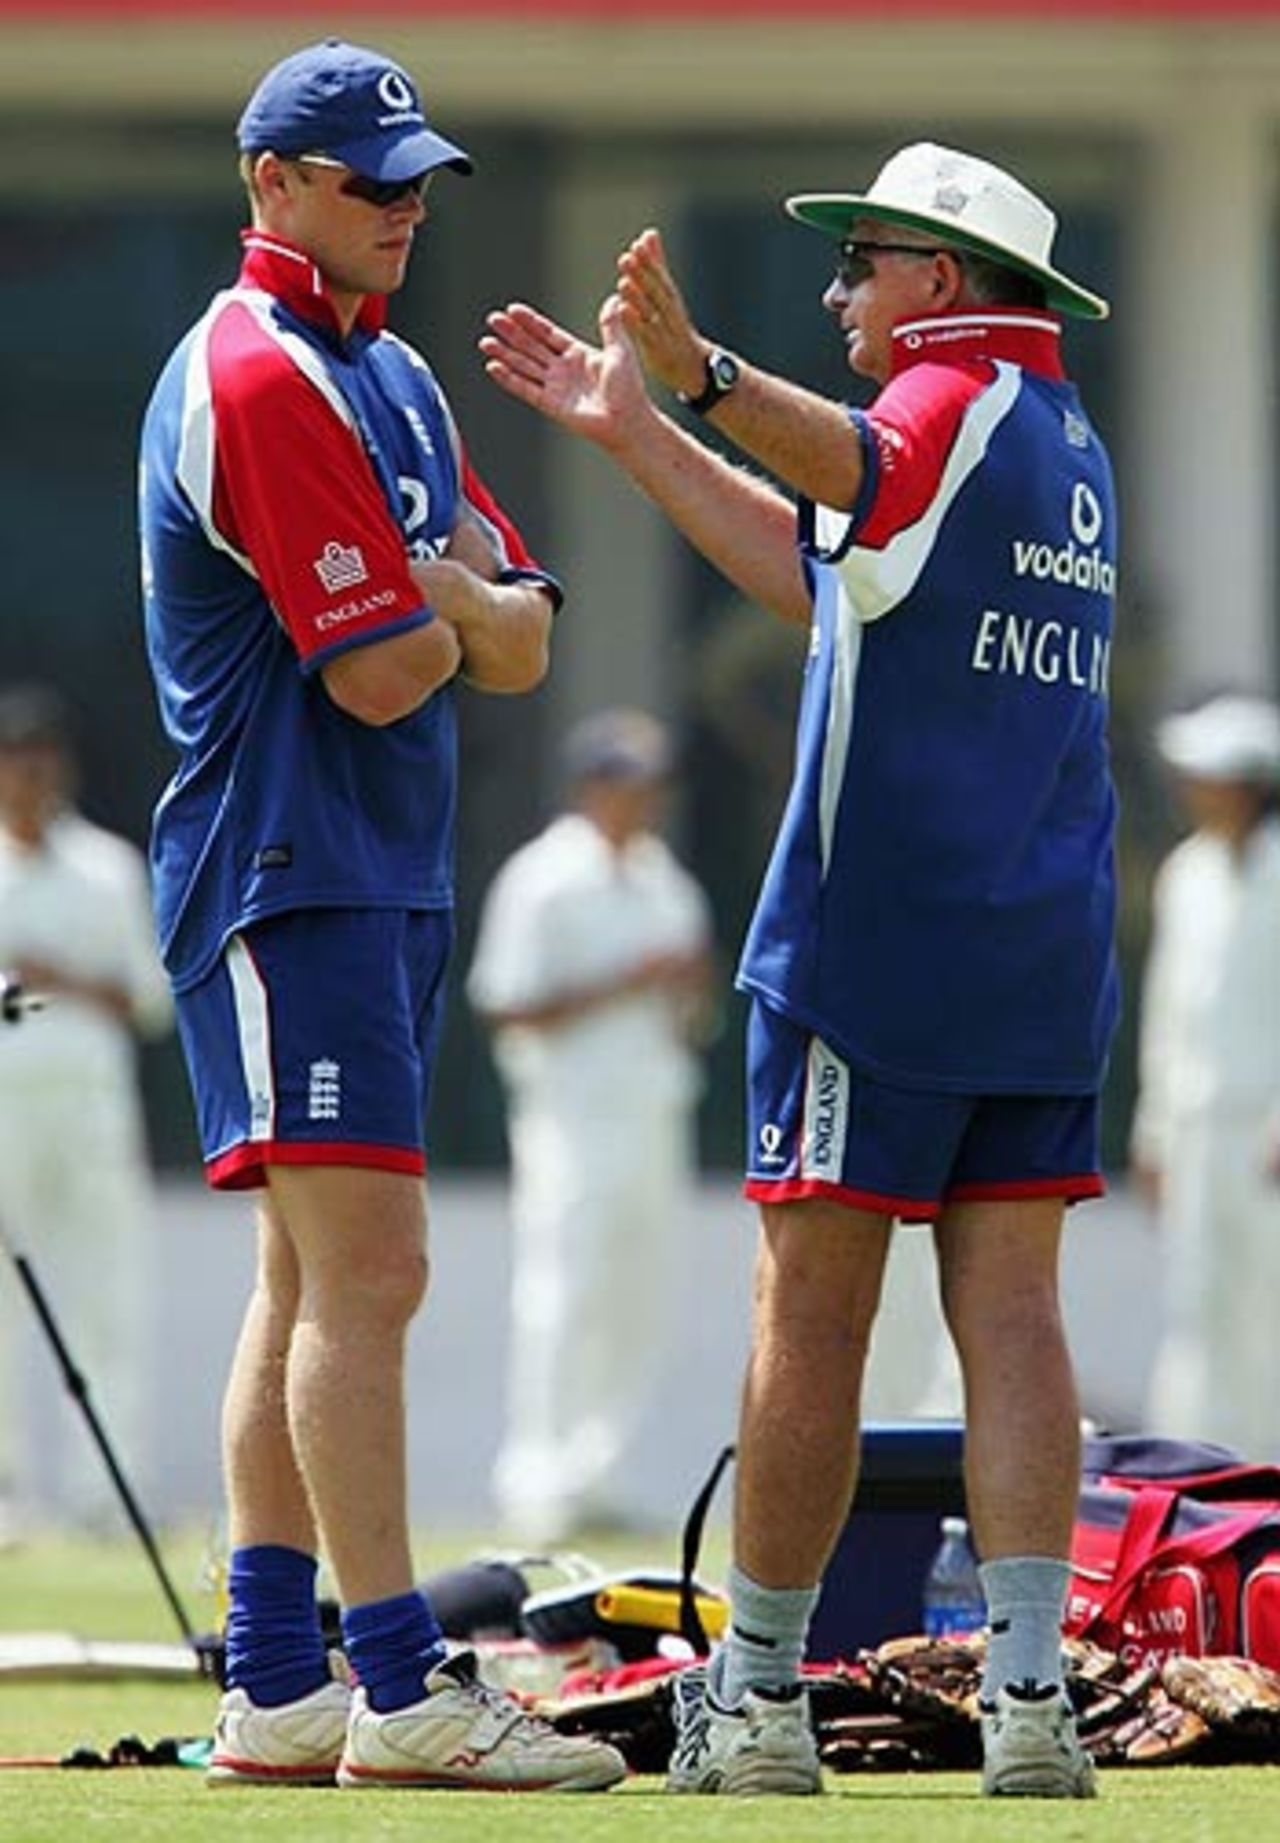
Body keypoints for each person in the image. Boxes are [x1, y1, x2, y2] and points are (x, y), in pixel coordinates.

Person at [482, 140, 1117, 1798]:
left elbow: (856, 459)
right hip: (1039, 956)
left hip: (876, 947)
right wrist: (639, 433)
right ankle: (1032, 1697)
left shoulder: (942, 405)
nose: (841, 293)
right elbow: (830, 579)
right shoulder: (1062, 438)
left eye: (863, 264)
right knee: (1016, 1314)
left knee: (813, 1313)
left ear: (943, 282)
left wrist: (698, 372)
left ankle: (758, 1693)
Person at [137, 38, 624, 1793]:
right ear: (272, 182)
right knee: (372, 1270)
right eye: (371, 182)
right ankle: (401, 1682)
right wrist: (456, 608)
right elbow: (388, 669)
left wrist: (456, 606)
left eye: (418, 181)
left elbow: (526, 636)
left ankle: (280, 1687)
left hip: (372, 867)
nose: (405, 208)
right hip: (290, 864)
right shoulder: (257, 370)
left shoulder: (393, 371)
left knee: (309, 1276)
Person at [467, 707, 714, 1543]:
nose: (644, 801)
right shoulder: (543, 879)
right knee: (563, 1290)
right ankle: (538, 1479)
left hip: (653, 1107)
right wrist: (625, 978)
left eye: (653, 786)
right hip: (571, 1116)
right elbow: (509, 1004)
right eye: (628, 784)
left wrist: (684, 988)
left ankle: (605, 1472)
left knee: (639, 1294)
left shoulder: (665, 880)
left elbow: (693, 1014)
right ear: (590, 786)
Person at [0, 683, 172, 1538]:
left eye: (42, 759)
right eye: (15, 760)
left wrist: (57, 976)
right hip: (5, 1106)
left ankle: (108, 1491)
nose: (30, 777)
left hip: (92, 1110)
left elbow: (149, 998)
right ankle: (7, 1492)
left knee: (105, 1293)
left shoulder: (108, 868)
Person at [1130, 692, 1280, 1459]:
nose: (1194, 790)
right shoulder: (1185, 874)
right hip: (1197, 1130)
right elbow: (1168, 1014)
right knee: (1195, 1307)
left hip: (1266, 1135)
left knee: (1267, 1308)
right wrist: (1153, 1133)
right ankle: (1203, 1476)